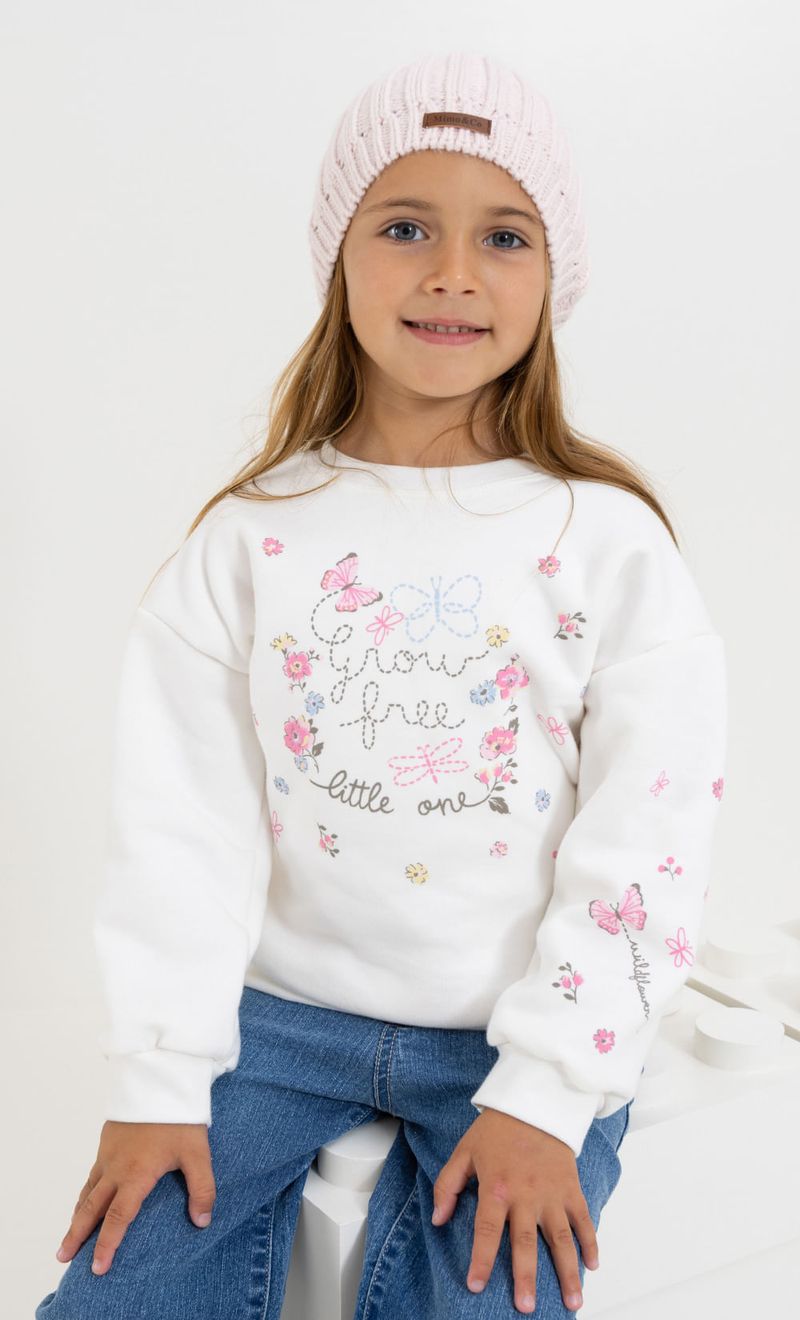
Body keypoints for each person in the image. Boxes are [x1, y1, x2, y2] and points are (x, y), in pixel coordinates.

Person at [36, 49, 727, 1320]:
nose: (450, 271)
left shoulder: (605, 542)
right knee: (115, 1296)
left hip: (510, 1039)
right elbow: (181, 828)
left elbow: (647, 833)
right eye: (404, 226)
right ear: (338, 259)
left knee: (485, 1296)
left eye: (502, 237)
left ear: (551, 276)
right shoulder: (248, 539)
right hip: (275, 1031)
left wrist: (547, 1094)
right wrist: (157, 1079)